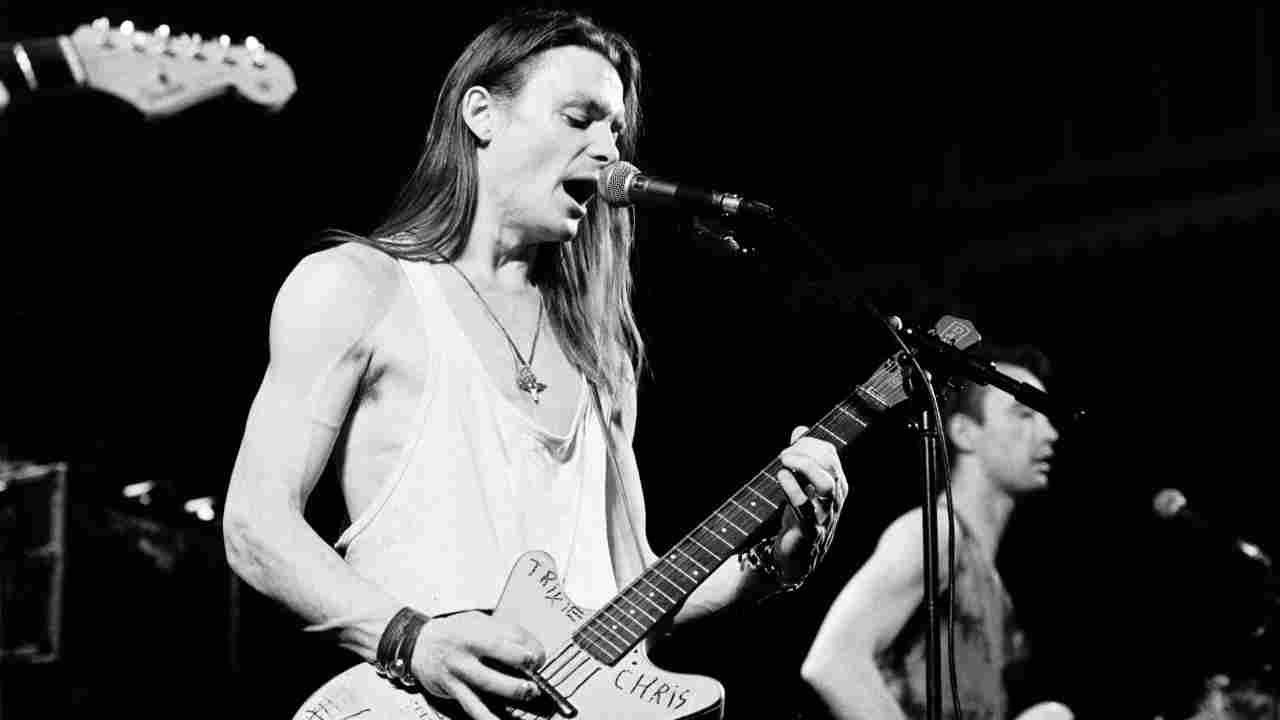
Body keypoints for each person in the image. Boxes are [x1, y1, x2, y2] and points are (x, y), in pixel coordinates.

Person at [222, 9, 847, 720]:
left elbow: (629, 588)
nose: (609, 152)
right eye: (580, 118)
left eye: (615, 129)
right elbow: (256, 524)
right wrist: (412, 640)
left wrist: (768, 569)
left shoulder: (601, 348)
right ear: (482, 114)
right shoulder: (359, 287)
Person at [799, 343, 1071, 720]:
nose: (1050, 432)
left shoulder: (989, 578)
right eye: (1024, 414)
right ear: (963, 432)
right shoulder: (933, 533)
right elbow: (833, 662)